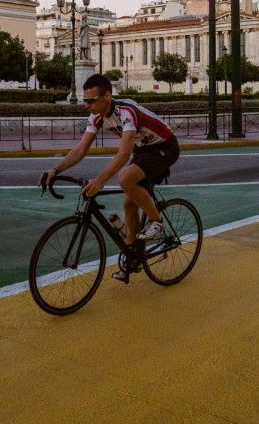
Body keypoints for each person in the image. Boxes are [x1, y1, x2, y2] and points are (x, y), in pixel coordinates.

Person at [39, 74, 179, 284]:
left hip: (165, 147)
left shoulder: (126, 111)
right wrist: (55, 170)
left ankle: (157, 221)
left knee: (124, 179)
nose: (87, 105)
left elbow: (123, 154)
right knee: (129, 203)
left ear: (107, 96)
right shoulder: (95, 117)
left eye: (91, 100)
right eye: (85, 100)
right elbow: (80, 149)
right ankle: (134, 259)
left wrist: (100, 181)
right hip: (143, 149)